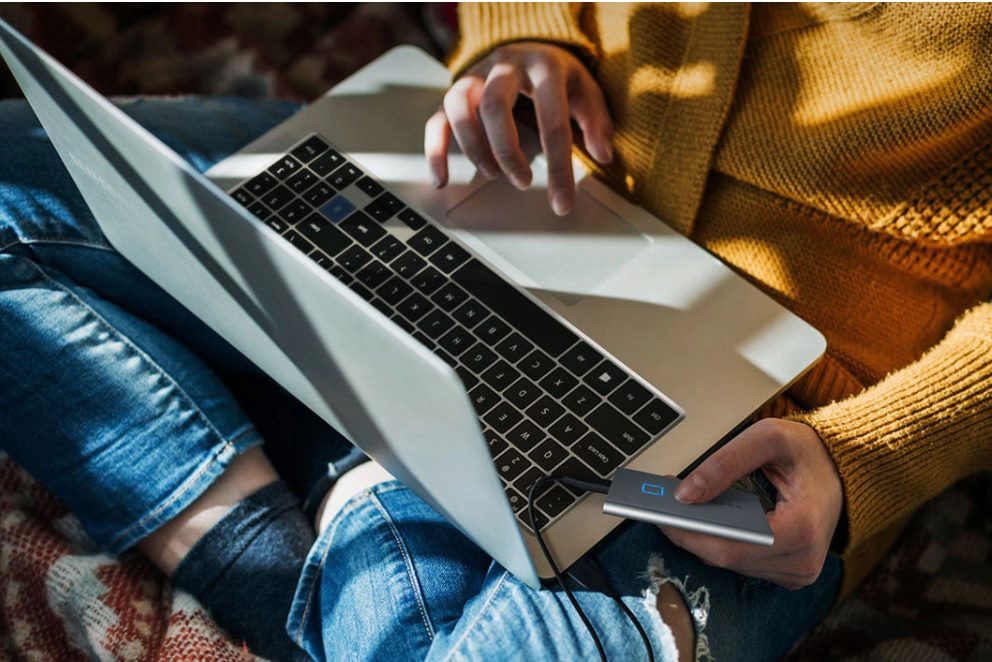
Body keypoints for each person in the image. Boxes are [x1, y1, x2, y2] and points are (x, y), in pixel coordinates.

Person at [1, 3, 989, 660]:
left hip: (768, 404)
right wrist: (525, 36)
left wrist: (874, 451)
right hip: (496, 178)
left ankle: (352, 472)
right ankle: (291, 528)